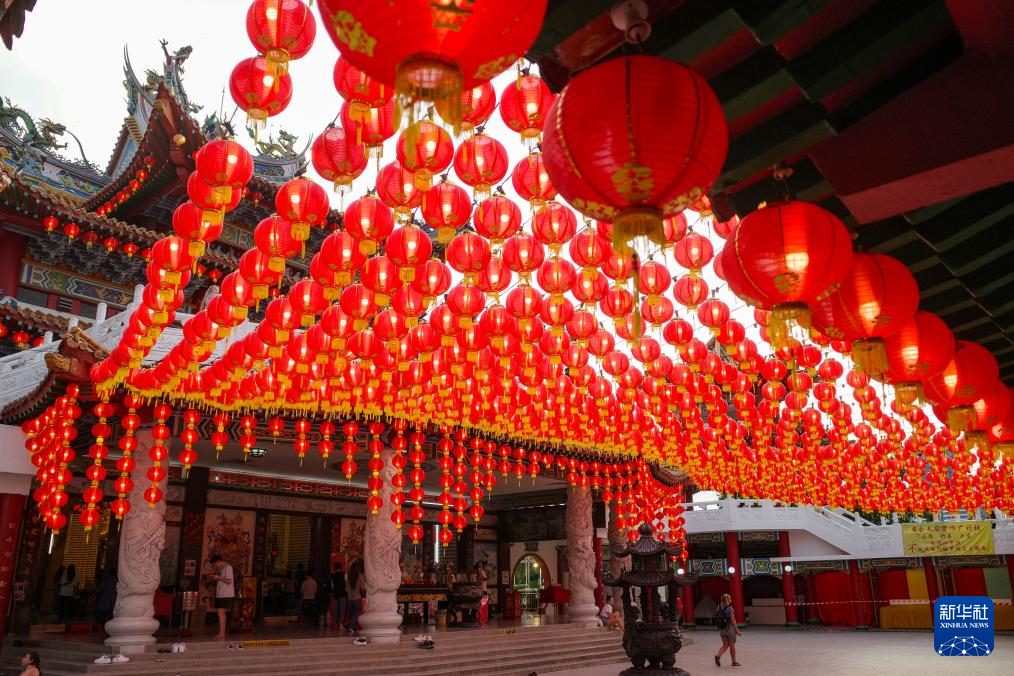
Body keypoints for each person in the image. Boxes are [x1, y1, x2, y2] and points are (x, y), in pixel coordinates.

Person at [208, 555, 234, 639]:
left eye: (215, 564)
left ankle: (221, 633)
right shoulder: (221, 569)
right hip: (221, 593)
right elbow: (222, 580)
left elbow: (229, 581)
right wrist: (215, 577)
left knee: (220, 613)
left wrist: (218, 577)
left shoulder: (228, 568)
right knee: (222, 613)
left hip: (225, 594)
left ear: (218, 561)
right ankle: (222, 632)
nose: (215, 566)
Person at [714, 593, 742, 667]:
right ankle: (734, 661)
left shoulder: (718, 607)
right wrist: (737, 630)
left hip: (721, 630)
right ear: (729, 599)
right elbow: (733, 620)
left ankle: (718, 655)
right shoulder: (730, 608)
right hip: (730, 629)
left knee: (725, 645)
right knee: (732, 645)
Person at [347, 562, 366, 635]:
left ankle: (354, 628)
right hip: (357, 597)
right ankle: (351, 626)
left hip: (349, 598)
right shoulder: (359, 576)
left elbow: (347, 588)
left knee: (352, 614)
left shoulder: (349, 577)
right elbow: (363, 587)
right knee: (357, 613)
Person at [330, 562, 348, 631]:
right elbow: (346, 585)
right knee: (342, 610)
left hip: (336, 594)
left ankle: (335, 625)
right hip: (343, 594)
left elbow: (332, 586)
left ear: (335, 568)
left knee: (335, 609)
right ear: (341, 567)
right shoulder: (344, 574)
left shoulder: (332, 575)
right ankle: (340, 625)